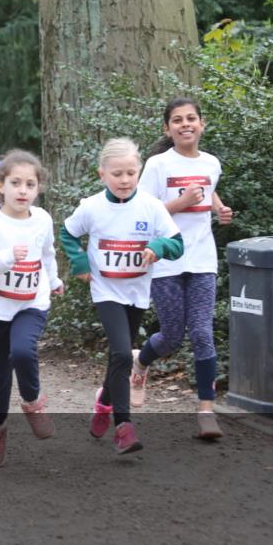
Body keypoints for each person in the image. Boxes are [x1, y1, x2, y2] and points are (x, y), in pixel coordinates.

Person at [60, 138, 183, 454]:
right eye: (117, 174)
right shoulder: (91, 207)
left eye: (131, 173)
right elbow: (67, 233)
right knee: (121, 352)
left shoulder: (152, 207)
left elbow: (177, 243)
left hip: (137, 293)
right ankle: (124, 428)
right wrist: (80, 261)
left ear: (139, 171)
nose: (125, 180)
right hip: (106, 291)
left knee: (119, 355)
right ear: (102, 174)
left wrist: (157, 247)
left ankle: (103, 402)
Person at [131, 97, 234, 439]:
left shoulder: (211, 163)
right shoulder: (158, 165)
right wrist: (180, 203)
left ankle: (206, 410)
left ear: (202, 124)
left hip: (203, 258)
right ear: (167, 128)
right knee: (172, 335)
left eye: (192, 118)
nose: (185, 124)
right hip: (167, 258)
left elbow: (209, 190)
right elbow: (144, 212)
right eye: (178, 120)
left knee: (203, 332)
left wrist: (218, 208)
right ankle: (140, 363)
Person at [0, 150, 63, 467]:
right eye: (16, 183)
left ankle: (33, 403)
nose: (23, 190)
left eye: (30, 184)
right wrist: (8, 256)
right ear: (1, 185)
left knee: (23, 351)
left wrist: (53, 280)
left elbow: (47, 255)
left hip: (31, 303)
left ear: (38, 188)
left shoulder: (43, 220)